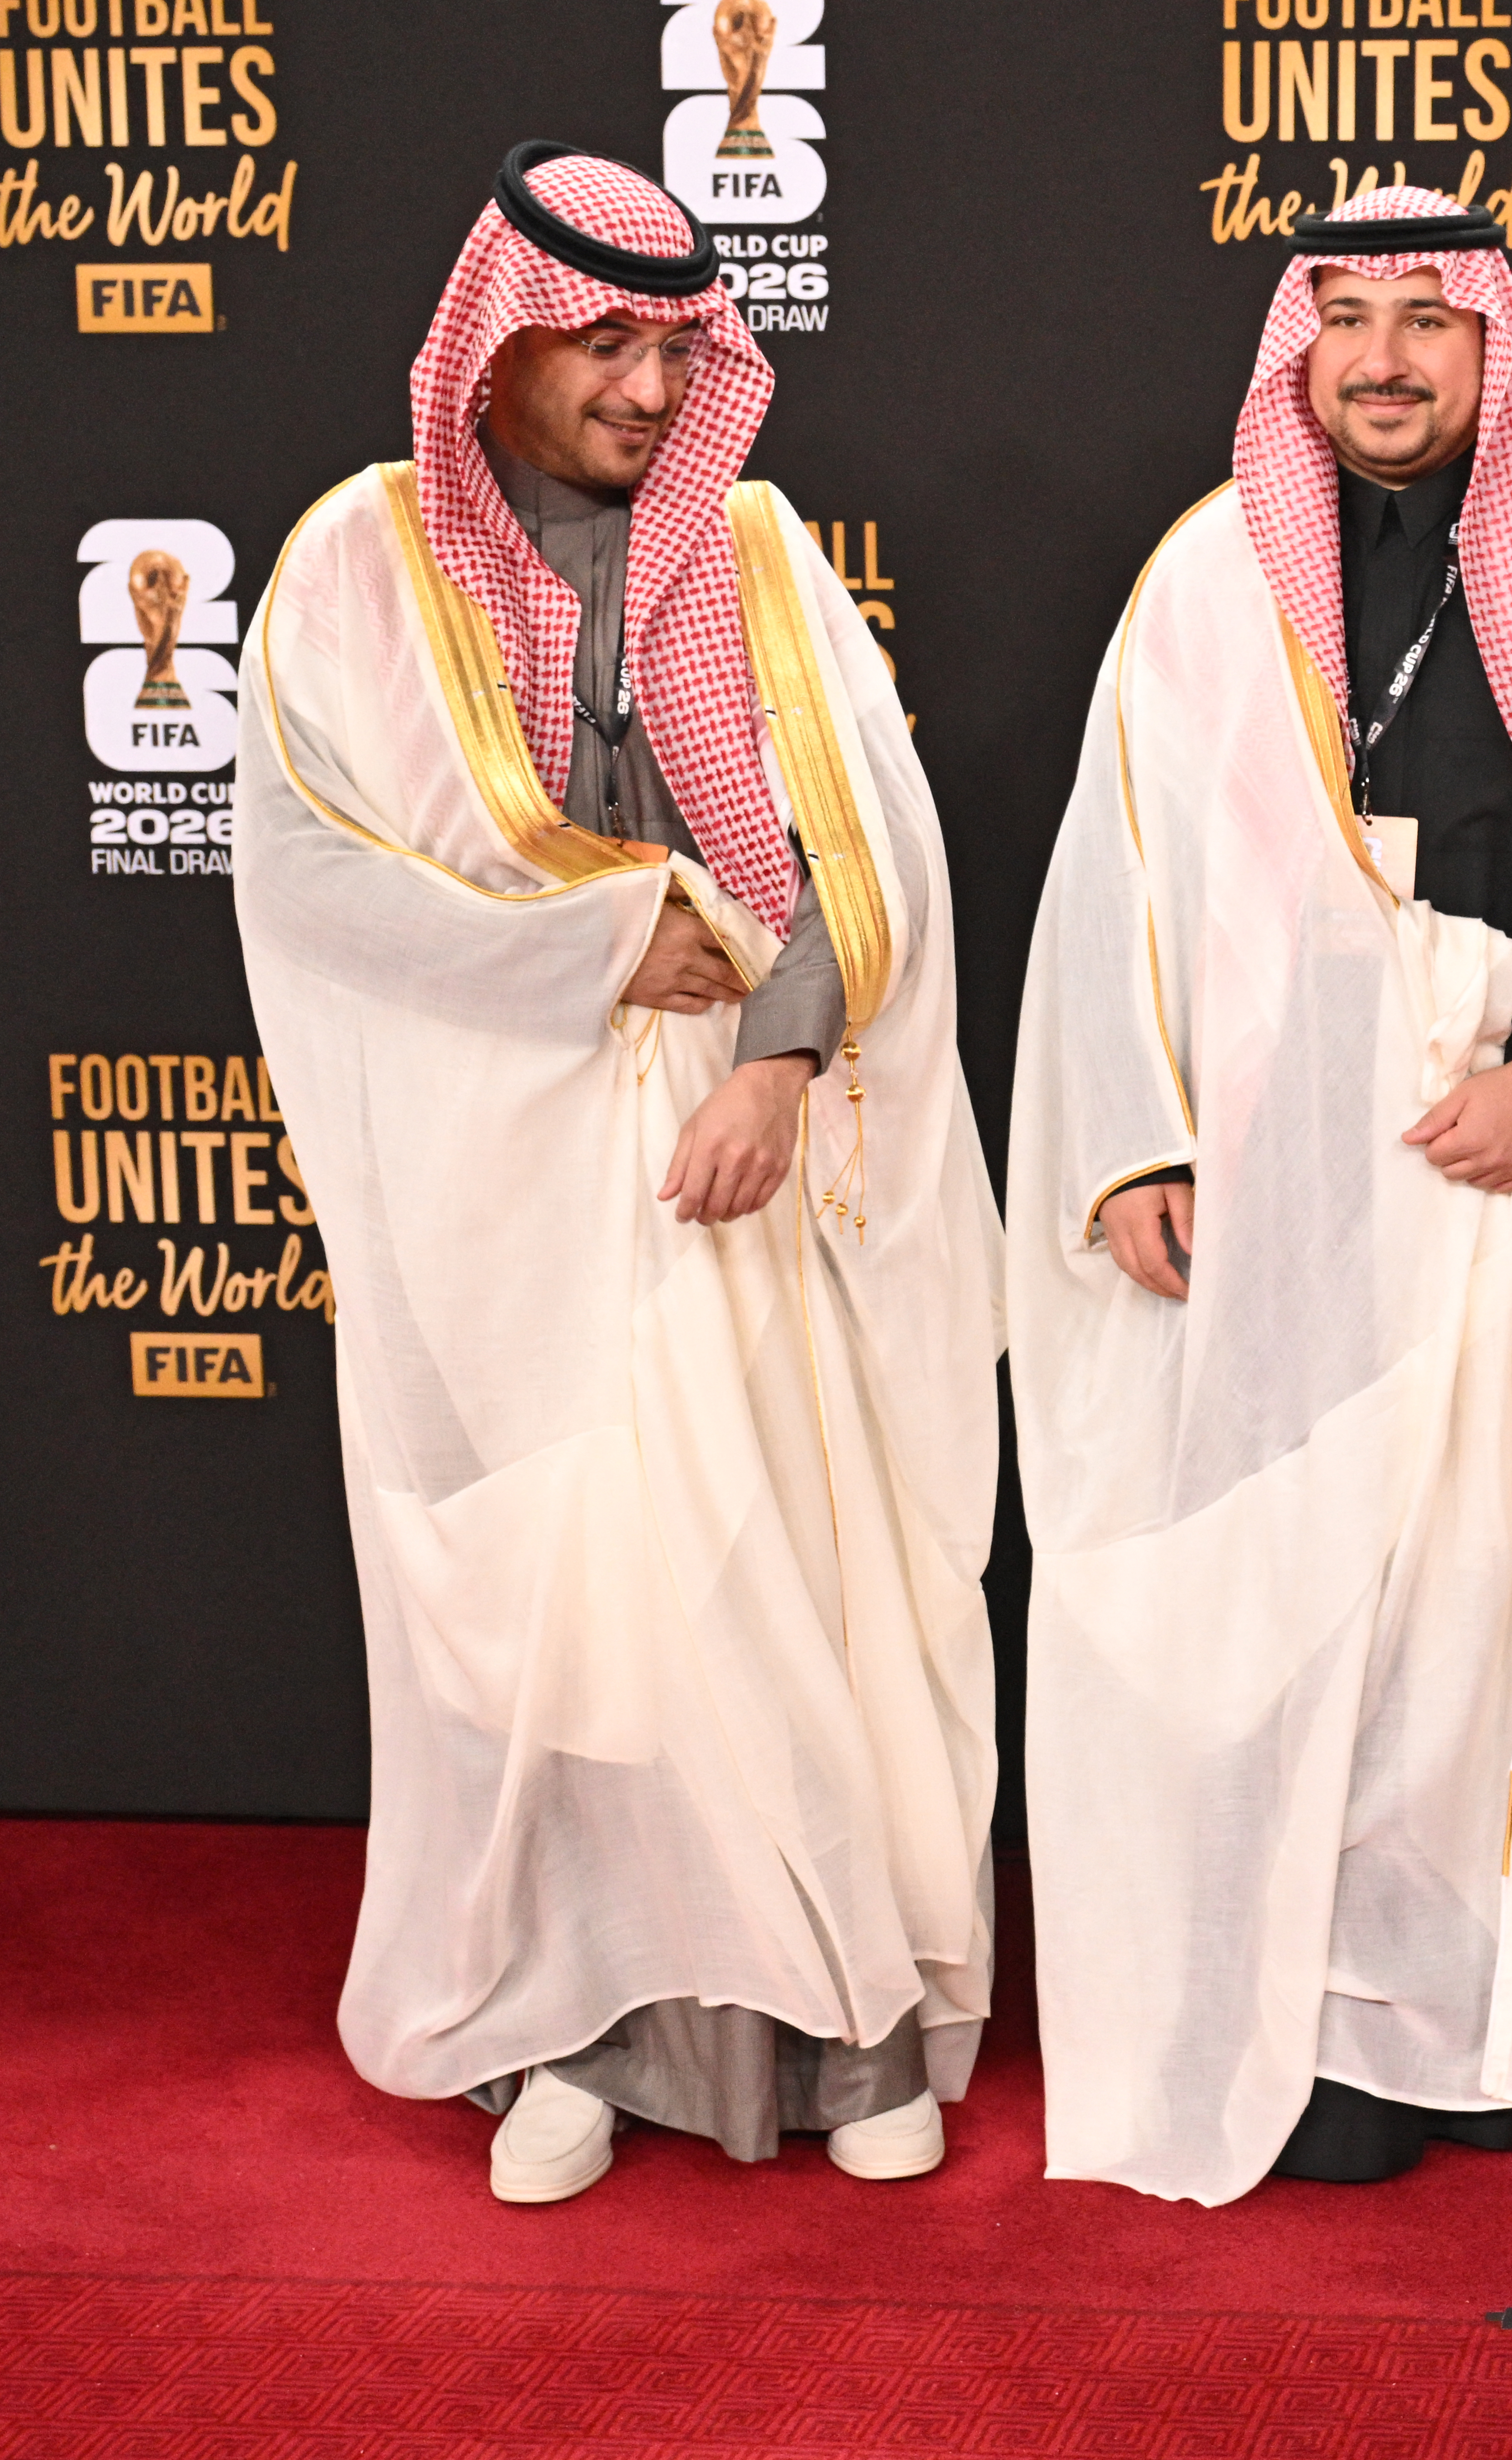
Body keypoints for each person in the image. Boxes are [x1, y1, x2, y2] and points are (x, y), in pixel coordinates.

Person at [232, 143, 1003, 2203]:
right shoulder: (359, 563)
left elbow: (869, 858)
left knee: (780, 1593)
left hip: (745, 1162)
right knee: (575, 1617)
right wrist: (586, 951)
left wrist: (769, 1059)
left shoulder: (751, 551)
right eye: (604, 343)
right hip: (504, 1172)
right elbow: (312, 880)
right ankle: (568, 2030)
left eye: (680, 346)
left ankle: (843, 2037)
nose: (651, 390)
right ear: (497, 334)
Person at [1010, 190, 1512, 2205]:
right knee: (1327, 1618)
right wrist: (1133, 1139)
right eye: (1344, 319)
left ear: (1492, 344)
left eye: (1429, 319)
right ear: (1296, 349)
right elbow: (1118, 886)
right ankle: (1349, 2014)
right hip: (1302, 1218)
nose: (1383, 359)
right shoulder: (1210, 577)